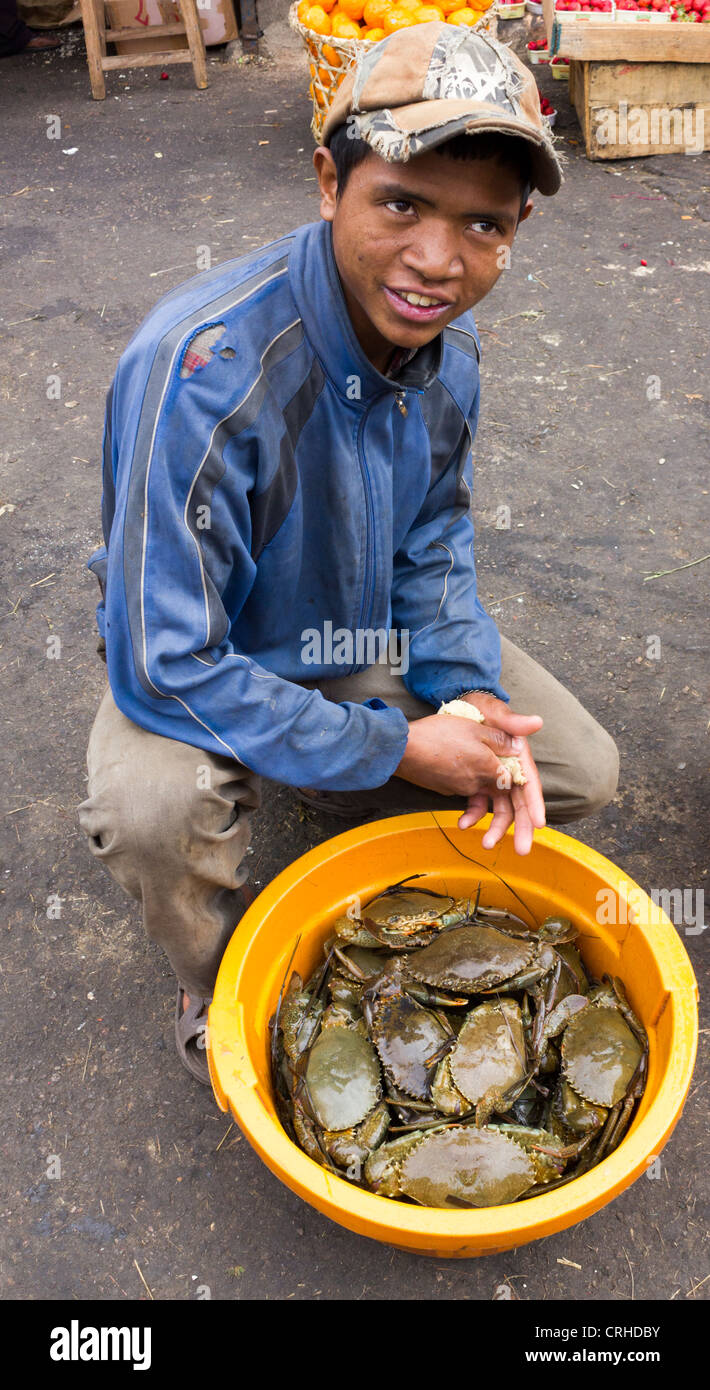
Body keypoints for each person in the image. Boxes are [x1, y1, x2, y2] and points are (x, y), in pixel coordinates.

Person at [78, 24, 619, 1084]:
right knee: (153, 814)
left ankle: (327, 771)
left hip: (351, 635)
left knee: (568, 772)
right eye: (402, 204)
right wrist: (392, 749)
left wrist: (460, 693)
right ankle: (223, 978)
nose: (436, 260)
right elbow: (163, 659)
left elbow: (432, 541)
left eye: (482, 224)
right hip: (212, 656)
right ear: (330, 180)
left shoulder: (443, 351)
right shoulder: (200, 370)